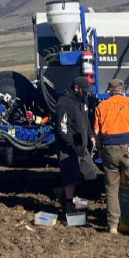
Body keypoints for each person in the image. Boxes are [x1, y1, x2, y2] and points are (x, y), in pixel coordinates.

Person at [94, 78, 129, 235]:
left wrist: (99, 148)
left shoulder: (101, 106)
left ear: (110, 91)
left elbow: (97, 132)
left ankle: (112, 226)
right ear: (123, 90)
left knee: (111, 188)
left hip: (108, 149)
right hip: (127, 149)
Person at [54, 76, 96, 213]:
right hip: (68, 147)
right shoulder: (64, 102)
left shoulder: (83, 101)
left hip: (81, 145)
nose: (85, 94)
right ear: (76, 88)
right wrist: (72, 145)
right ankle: (68, 203)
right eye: (84, 91)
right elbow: (62, 128)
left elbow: (86, 121)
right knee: (70, 176)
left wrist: (91, 136)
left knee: (89, 172)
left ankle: (63, 193)